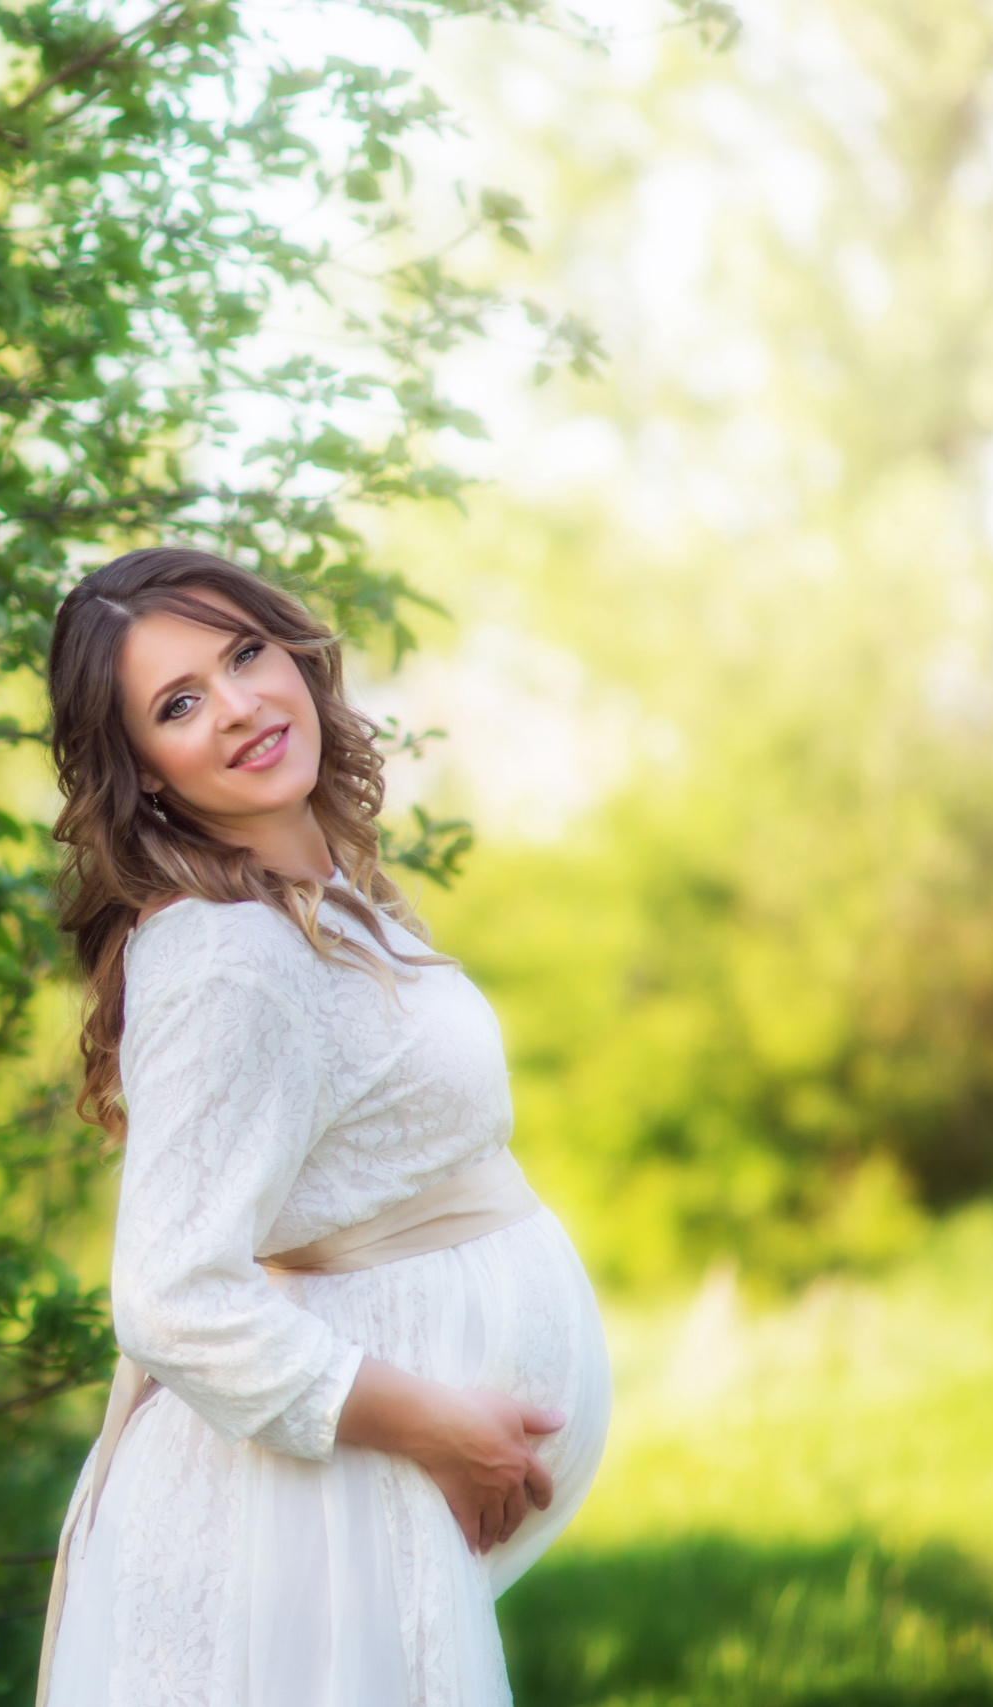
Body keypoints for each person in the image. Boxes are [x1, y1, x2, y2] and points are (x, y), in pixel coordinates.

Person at [36, 547, 611, 1707]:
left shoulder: (318, 902)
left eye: (245, 653)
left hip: (331, 1515)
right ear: (141, 771)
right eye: (179, 704)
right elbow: (171, 1296)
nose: (239, 704)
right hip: (284, 1521)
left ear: (294, 652)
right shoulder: (225, 954)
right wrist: (440, 1425)